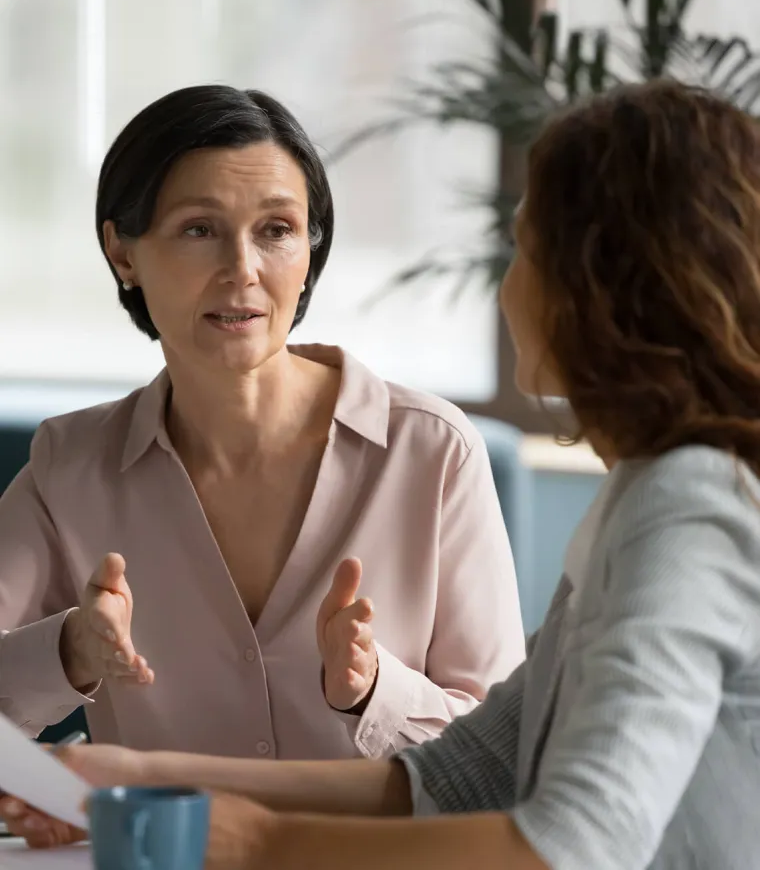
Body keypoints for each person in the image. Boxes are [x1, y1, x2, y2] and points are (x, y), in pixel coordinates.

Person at [7, 78, 760, 869]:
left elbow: (574, 843)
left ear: (605, 289)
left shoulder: (687, 508)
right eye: (199, 229)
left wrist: (252, 837)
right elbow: (464, 774)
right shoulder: (644, 497)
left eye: (526, 250)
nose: (506, 288)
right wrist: (136, 775)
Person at [0, 85, 525, 762]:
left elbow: (504, 758)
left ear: (309, 251)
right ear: (123, 254)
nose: (242, 270)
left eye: (276, 231)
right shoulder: (69, 465)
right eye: (200, 229)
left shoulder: (433, 453)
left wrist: (373, 692)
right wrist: (69, 651)